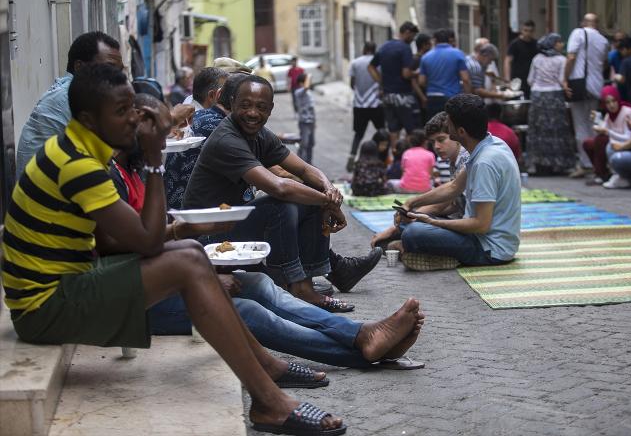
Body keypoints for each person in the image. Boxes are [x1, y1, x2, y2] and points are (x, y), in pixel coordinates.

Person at [1, 63, 348, 435]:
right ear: (88, 118)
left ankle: (266, 368)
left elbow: (128, 238)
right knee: (188, 262)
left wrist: (183, 227)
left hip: (62, 287)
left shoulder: (77, 150)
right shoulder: (78, 163)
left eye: (131, 109)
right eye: (121, 113)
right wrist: (154, 162)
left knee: (192, 255)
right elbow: (146, 241)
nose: (132, 121)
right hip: (46, 306)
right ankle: (269, 401)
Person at [109, 102, 425, 370]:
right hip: (139, 301)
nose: (168, 141)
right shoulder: (115, 178)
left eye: (168, 131)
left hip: (165, 275)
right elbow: (125, 254)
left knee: (259, 284)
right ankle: (363, 351)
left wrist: (195, 267)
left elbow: (151, 242)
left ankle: (362, 335)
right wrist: (195, 274)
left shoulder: (138, 172)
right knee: (247, 311)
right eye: (161, 133)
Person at [183, 75, 382, 306]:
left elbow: (306, 169)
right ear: (233, 102)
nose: (252, 113)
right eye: (245, 105)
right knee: (281, 205)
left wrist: (328, 190)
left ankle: (305, 283)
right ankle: (293, 284)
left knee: (307, 196)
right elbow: (280, 188)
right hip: (205, 235)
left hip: (228, 224)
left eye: (261, 107)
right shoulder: (226, 139)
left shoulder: (259, 134)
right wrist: (325, 202)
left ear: (271, 109)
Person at [396, 94, 521, 271]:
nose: (446, 124)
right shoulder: (490, 144)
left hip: (489, 249)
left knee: (412, 233)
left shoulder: (484, 163)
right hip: (484, 239)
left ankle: (443, 256)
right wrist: (411, 203)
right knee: (409, 224)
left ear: (460, 131)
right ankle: (427, 251)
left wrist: (433, 223)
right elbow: (454, 187)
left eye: (449, 122)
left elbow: (481, 224)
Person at [15, 31, 123, 178]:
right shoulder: (68, 97)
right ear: (79, 67)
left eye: (119, 71)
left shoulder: (79, 93)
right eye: (108, 68)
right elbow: (113, 152)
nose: (117, 77)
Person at [371, 112, 468, 251]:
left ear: (456, 136)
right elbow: (451, 205)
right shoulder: (453, 161)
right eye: (433, 142)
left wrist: (411, 208)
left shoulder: (466, 159)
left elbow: (446, 198)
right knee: (412, 223)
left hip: (475, 233)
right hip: (462, 220)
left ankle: (410, 244)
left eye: (441, 140)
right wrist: (414, 214)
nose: (436, 146)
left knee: (413, 231)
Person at [165, 67, 229, 209]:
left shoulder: (191, 104)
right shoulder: (209, 120)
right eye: (229, 94)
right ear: (214, 95)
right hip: (187, 208)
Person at [564, 13, 610, 178]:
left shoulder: (578, 33)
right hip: (597, 86)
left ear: (584, 23)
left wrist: (564, 79)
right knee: (594, 124)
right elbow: (603, 63)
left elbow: (570, 57)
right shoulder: (604, 41)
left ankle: (586, 163)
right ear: (597, 24)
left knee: (580, 125)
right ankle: (598, 162)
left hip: (579, 84)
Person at [526, 33, 576, 175]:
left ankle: (538, 163)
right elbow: (562, 79)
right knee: (556, 130)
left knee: (538, 130)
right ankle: (559, 163)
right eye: (559, 42)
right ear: (553, 44)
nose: (562, 45)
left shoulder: (537, 59)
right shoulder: (561, 59)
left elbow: (530, 80)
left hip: (537, 96)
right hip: (554, 95)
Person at [368, 21, 420, 147]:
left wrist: (381, 82)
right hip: (403, 95)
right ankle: (409, 156)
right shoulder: (405, 48)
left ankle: (396, 155)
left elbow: (370, 67)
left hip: (387, 95)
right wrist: (417, 73)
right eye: (412, 36)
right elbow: (406, 74)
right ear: (407, 32)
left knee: (393, 129)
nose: (413, 40)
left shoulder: (385, 46)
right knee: (410, 129)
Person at [583, 85, 631, 184]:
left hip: (629, 144)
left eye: (614, 101)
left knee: (601, 140)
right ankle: (603, 173)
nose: (611, 105)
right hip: (614, 143)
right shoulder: (609, 115)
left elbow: (629, 137)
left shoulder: (628, 113)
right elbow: (605, 128)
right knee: (588, 143)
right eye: (608, 102)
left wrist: (607, 132)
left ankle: (600, 174)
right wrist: (596, 120)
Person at [347, 41, 385, 172]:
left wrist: (359, 92)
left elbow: (351, 83)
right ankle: (383, 157)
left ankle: (352, 156)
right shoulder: (378, 63)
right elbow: (382, 81)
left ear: (364, 49)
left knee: (358, 133)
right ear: (374, 50)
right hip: (376, 103)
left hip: (359, 104)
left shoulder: (355, 62)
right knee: (381, 131)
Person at [419, 28, 471, 120]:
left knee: (434, 128)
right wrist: (468, 99)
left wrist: (432, 85)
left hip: (432, 97)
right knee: (450, 128)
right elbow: (465, 79)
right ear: (449, 39)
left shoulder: (426, 57)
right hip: (451, 97)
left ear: (435, 40)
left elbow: (421, 81)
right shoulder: (458, 54)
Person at [504, 20, 538, 99]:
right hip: (517, 80)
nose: (528, 33)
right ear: (521, 30)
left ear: (534, 31)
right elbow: (507, 61)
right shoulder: (515, 44)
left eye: (530, 31)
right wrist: (507, 79)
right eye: (525, 30)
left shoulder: (536, 44)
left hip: (532, 80)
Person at [294, 73, 316, 164]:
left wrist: (315, 122)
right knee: (304, 144)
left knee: (311, 144)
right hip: (304, 122)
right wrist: (309, 75)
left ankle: (309, 164)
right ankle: (300, 164)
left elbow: (312, 108)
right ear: (302, 82)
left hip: (311, 122)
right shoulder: (299, 92)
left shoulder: (308, 92)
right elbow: (306, 87)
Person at [411, 33, 433, 124]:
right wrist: (422, 97)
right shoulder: (417, 59)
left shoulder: (425, 58)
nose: (431, 46)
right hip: (419, 97)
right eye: (429, 44)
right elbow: (413, 81)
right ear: (424, 45)